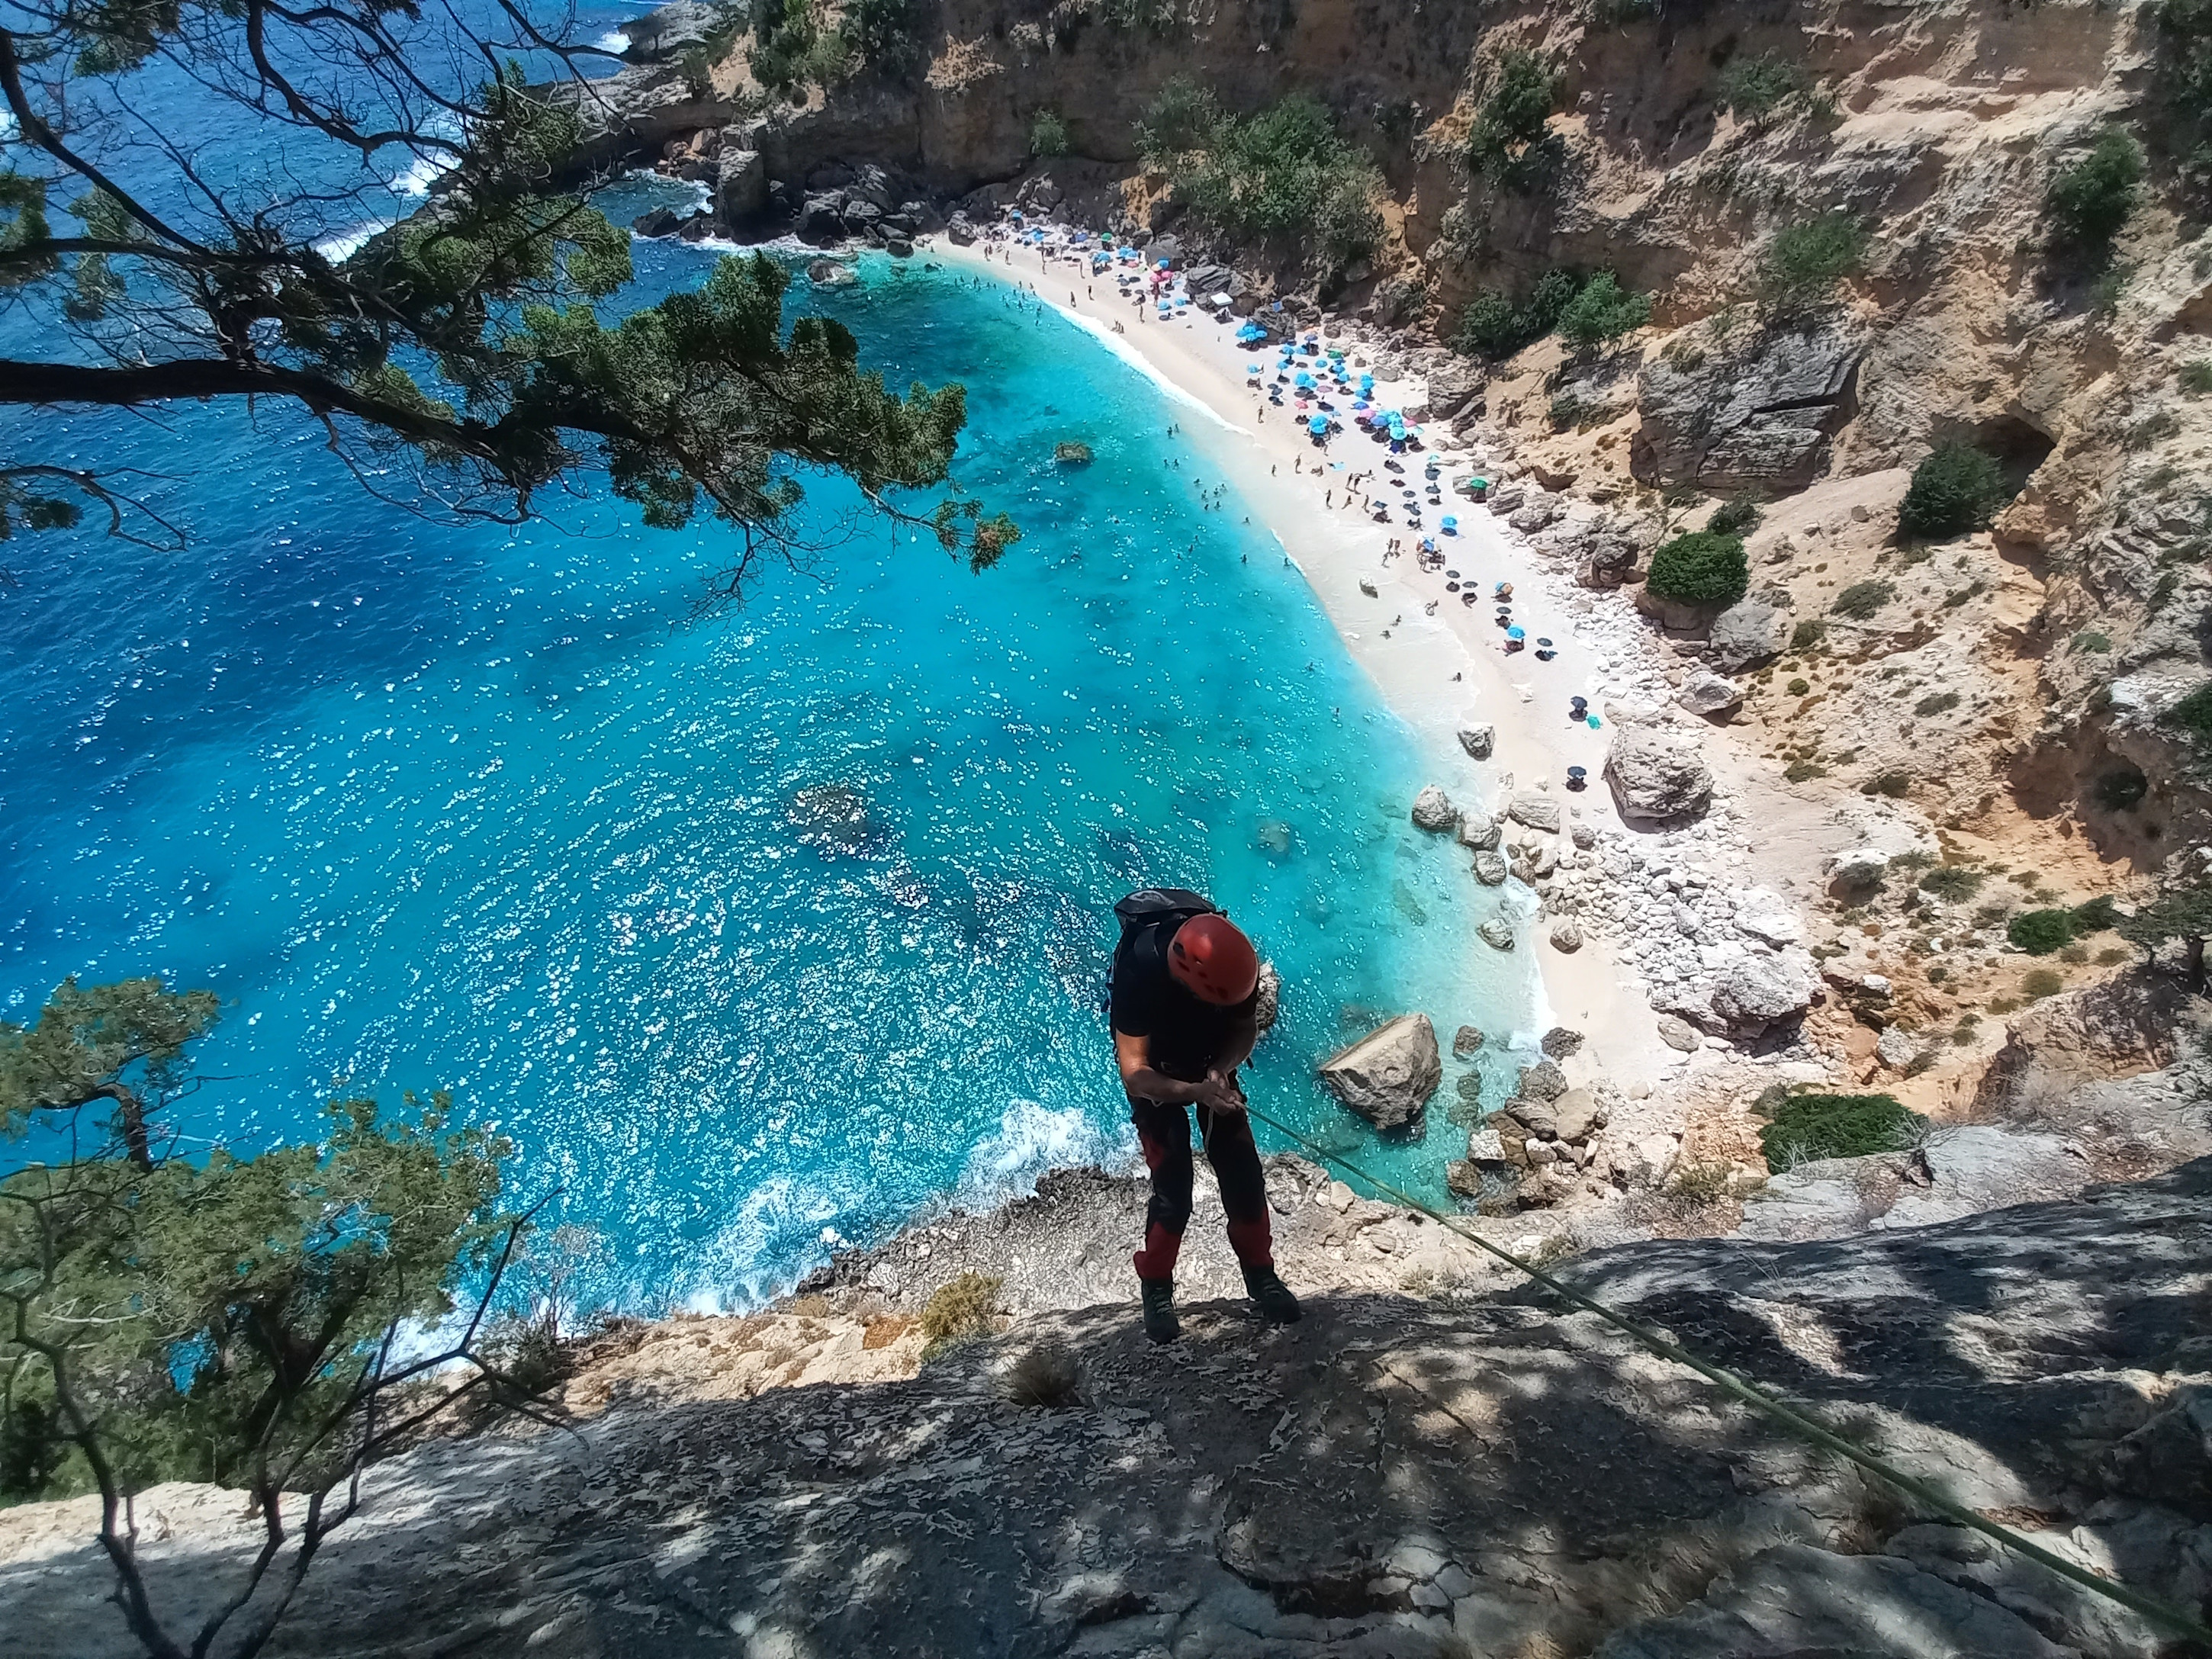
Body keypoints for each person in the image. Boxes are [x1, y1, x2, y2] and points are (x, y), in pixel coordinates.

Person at [1108, 889, 1301, 1344]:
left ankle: (1261, 1276)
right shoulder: (1140, 969)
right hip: (1159, 1076)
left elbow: (1243, 1028)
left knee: (1244, 1176)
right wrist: (1194, 1091)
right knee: (1173, 1189)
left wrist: (1220, 1070)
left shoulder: (1236, 968)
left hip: (1210, 1066)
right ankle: (1156, 1286)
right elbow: (1136, 1074)